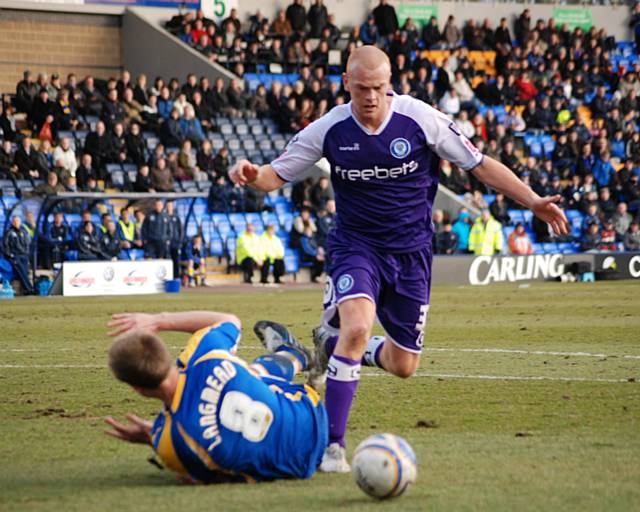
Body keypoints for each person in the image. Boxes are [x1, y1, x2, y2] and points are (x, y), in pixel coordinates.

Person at [228, 45, 568, 472]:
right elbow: (273, 176)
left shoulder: (420, 118)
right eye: (362, 88)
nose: (371, 97)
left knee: (403, 364)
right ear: (346, 84)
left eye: (379, 88)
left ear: (390, 85)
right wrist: (249, 174)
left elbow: (480, 165)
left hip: (411, 254)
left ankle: (326, 345)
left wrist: (533, 200)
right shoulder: (329, 128)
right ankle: (333, 447)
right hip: (356, 246)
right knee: (357, 326)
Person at [104, 310, 327, 483]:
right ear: (165, 355)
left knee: (245, 382)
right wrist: (159, 320)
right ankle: (293, 355)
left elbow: (208, 477)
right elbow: (228, 320)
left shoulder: (170, 443)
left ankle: (294, 354)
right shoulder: (206, 354)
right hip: (313, 414)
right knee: (245, 375)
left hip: (301, 464)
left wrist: (153, 438)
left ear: (137, 389)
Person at [3, 216, 34, 295]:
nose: (16, 223)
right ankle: (29, 289)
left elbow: (28, 243)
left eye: (18, 221)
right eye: (15, 221)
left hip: (24, 255)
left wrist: (27, 253)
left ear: (20, 222)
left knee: (25, 271)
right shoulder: (9, 232)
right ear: (12, 222)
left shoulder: (24, 231)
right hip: (15, 256)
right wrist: (10, 255)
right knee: (22, 271)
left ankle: (28, 289)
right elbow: (5, 245)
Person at [165, 201, 183, 278]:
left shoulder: (176, 217)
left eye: (170, 205)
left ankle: (176, 278)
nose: (169, 207)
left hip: (175, 243)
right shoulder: (163, 217)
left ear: (172, 207)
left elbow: (181, 230)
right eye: (168, 206)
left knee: (176, 261)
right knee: (168, 261)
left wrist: (179, 241)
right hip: (166, 244)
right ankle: (168, 277)